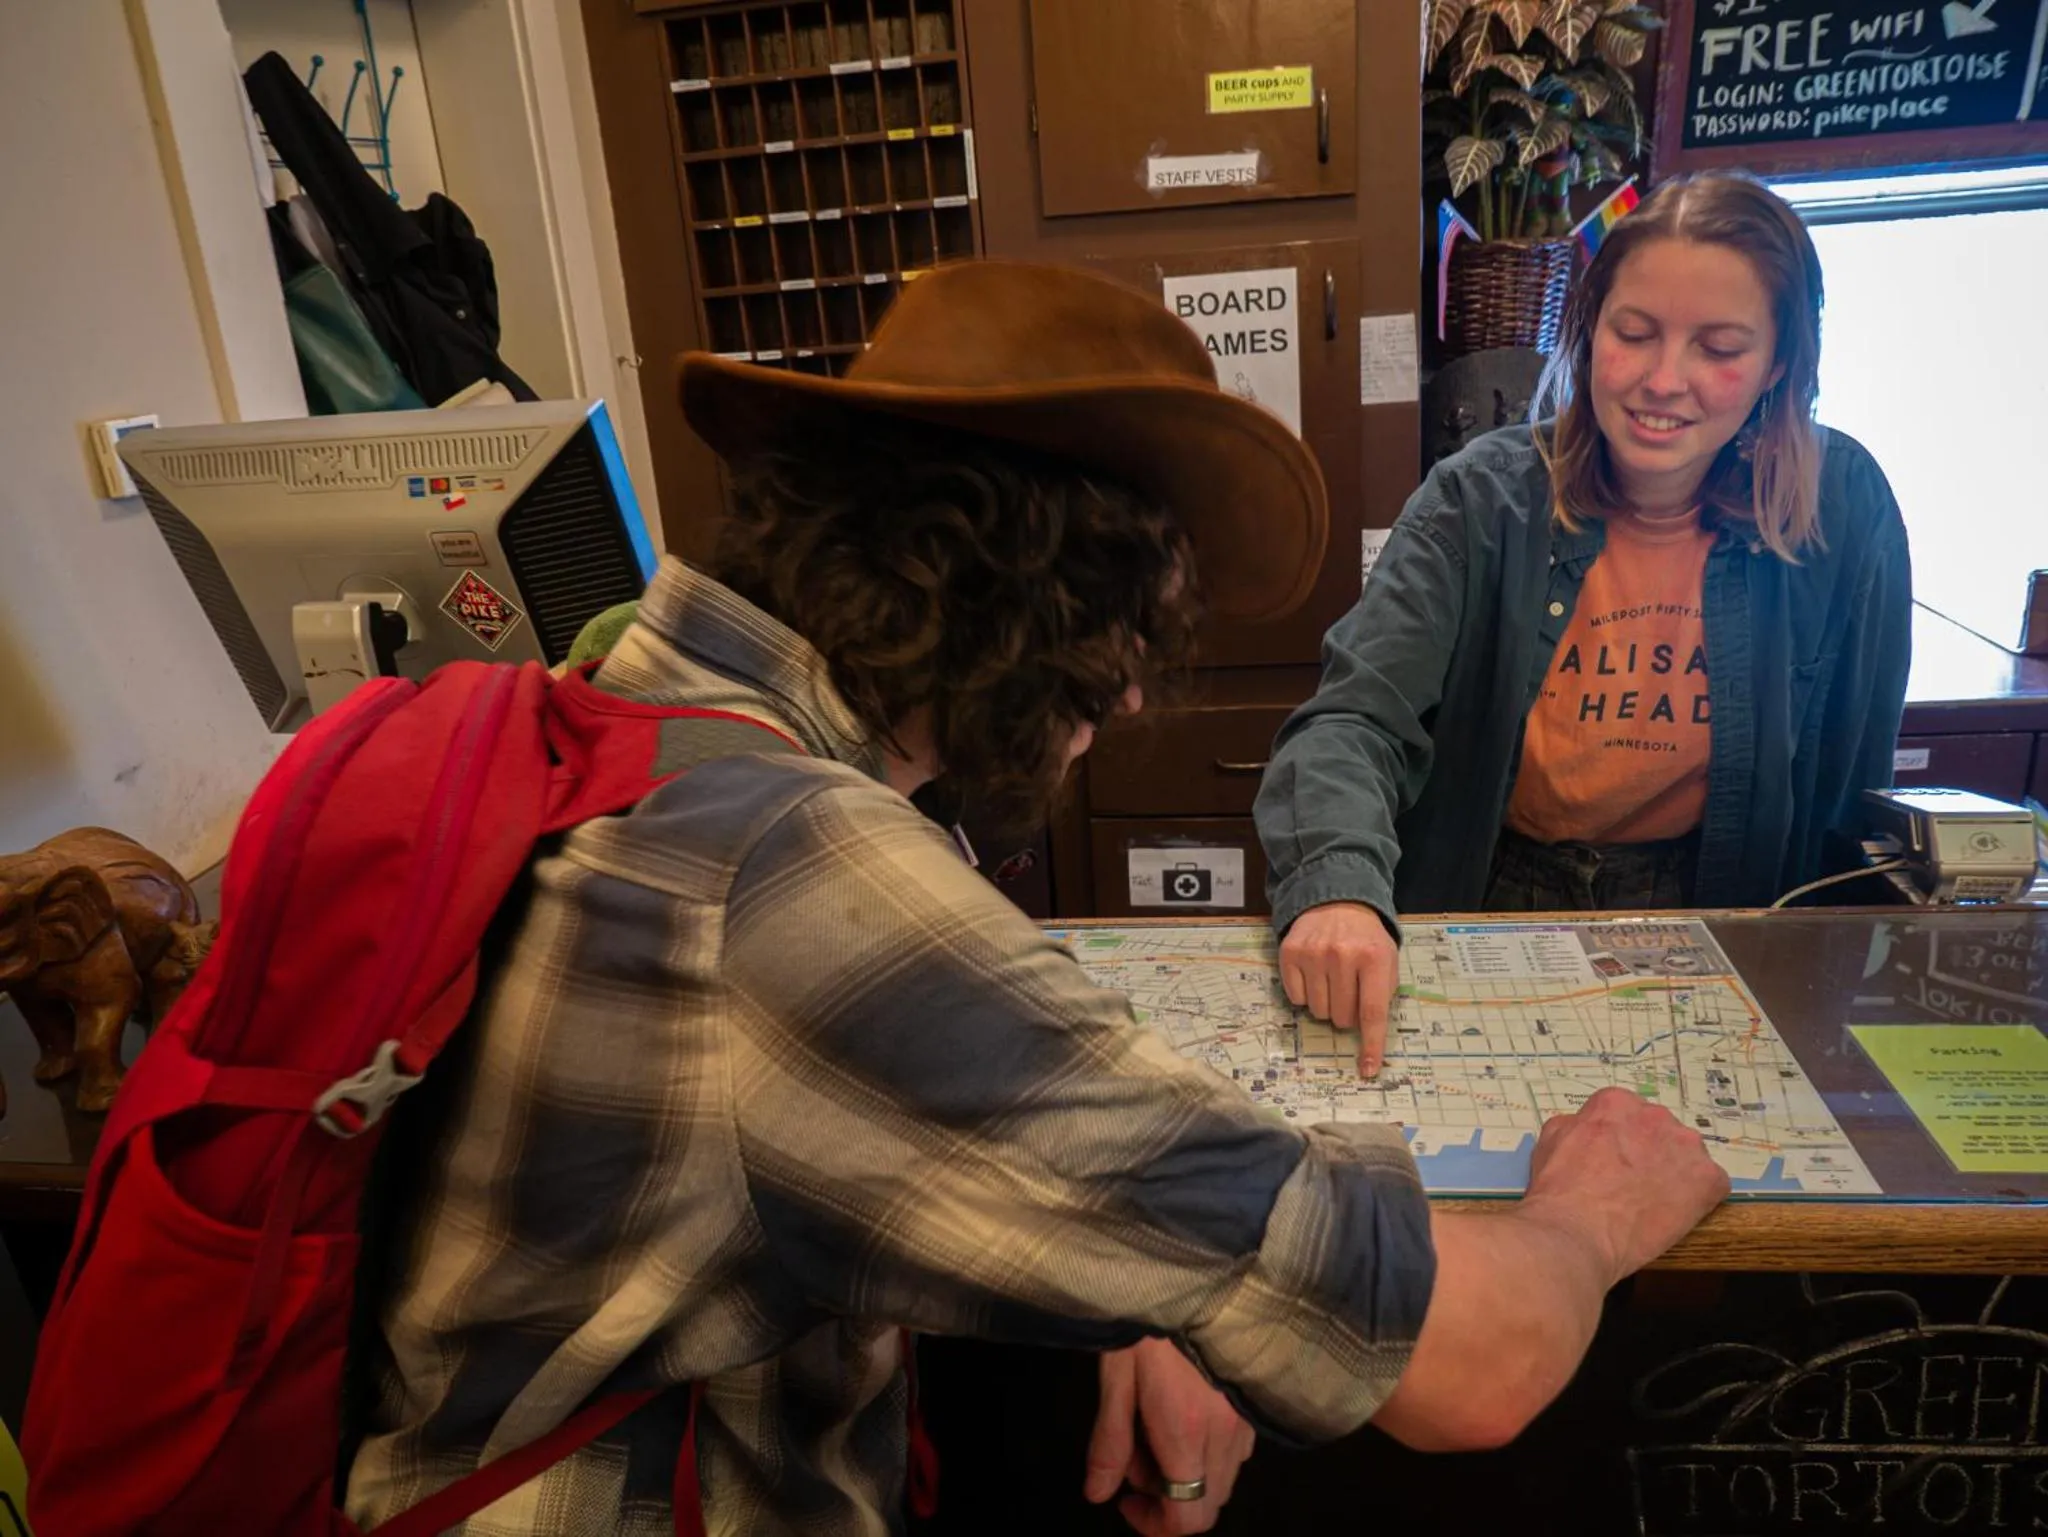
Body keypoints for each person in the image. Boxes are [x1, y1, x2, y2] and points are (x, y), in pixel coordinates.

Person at [344, 261, 1729, 1537]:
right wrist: (1589, 1211)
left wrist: (1139, 1287)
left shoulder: (632, 720)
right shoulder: (794, 879)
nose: (1123, 698)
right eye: (1122, 627)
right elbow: (1471, 1365)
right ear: (1014, 589)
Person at [1256, 173, 1911, 1075]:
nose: (1663, 380)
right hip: (1493, 890)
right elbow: (1350, 722)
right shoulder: (1477, 500)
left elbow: (1852, 793)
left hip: (1718, 905)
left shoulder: (1846, 508)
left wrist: (1825, 1000)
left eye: (1719, 347)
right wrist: (1338, 890)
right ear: (1588, 330)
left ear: (1779, 367)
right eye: (1633, 333)